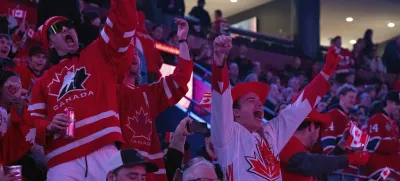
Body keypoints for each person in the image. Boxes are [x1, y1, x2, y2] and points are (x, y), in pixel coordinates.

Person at [28, 0, 138, 180]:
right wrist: (47, 126)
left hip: (104, 149)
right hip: (61, 159)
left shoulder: (99, 53)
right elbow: (30, 123)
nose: (65, 29)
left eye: (68, 25)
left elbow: (124, 24)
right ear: (50, 43)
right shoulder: (42, 81)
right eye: (56, 29)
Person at [210, 34, 342, 180]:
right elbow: (220, 99)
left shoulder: (270, 133)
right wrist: (219, 61)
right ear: (235, 112)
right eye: (251, 100)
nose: (260, 103)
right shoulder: (228, 136)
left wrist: (327, 71)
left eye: (260, 101)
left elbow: (300, 106)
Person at [118, 18, 193, 181]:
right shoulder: (108, 92)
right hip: (119, 171)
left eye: (136, 53)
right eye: (127, 53)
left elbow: (182, 76)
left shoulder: (148, 93)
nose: (134, 56)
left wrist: (182, 40)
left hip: (149, 173)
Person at [280, 109, 370, 181]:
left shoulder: (297, 147)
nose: (319, 135)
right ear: (311, 126)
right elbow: (311, 164)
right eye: (320, 129)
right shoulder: (287, 143)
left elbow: (320, 167)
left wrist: (343, 142)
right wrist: (352, 158)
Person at [0, 70, 45, 180]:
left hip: (6, 164)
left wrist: (20, 110)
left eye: (18, 86)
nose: (15, 89)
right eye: (11, 84)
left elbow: (25, 138)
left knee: (30, 166)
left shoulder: (10, 112)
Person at [365, 90, 400, 180]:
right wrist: (396, 144)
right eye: (397, 104)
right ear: (389, 102)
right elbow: (373, 144)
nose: (398, 107)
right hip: (380, 169)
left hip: (390, 168)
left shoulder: (391, 122)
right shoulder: (378, 118)